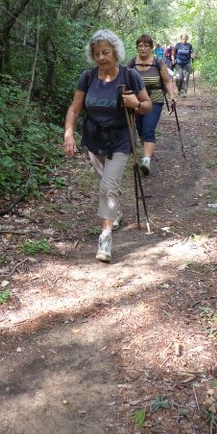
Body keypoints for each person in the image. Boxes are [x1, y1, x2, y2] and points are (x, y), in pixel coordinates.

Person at [63, 29, 151, 263]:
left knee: (109, 186)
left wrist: (136, 103)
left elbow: (147, 105)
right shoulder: (88, 77)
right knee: (105, 182)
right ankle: (116, 211)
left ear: (115, 52)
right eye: (96, 53)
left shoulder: (129, 76)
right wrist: (68, 134)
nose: (101, 57)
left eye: (105, 52)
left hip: (121, 137)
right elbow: (74, 108)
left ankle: (105, 236)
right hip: (94, 138)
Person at [128, 34, 177, 176]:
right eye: (140, 46)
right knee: (141, 129)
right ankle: (146, 153)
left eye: (146, 46)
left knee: (148, 128)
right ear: (137, 47)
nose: (143, 48)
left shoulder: (158, 63)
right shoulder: (132, 64)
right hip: (137, 102)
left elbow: (167, 81)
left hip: (155, 100)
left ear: (151, 47)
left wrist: (172, 96)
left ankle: (146, 160)